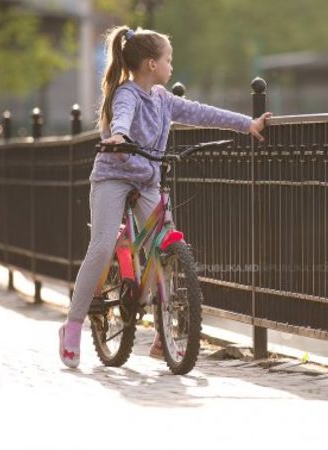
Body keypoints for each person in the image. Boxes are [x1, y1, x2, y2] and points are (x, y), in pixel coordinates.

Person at [58, 25, 271, 368]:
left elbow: (201, 112)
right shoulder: (127, 94)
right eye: (168, 59)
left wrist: (247, 124)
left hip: (146, 179)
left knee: (164, 246)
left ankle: (164, 333)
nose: (172, 65)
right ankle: (72, 326)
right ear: (151, 64)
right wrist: (119, 135)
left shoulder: (162, 98)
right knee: (101, 245)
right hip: (114, 175)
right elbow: (122, 116)